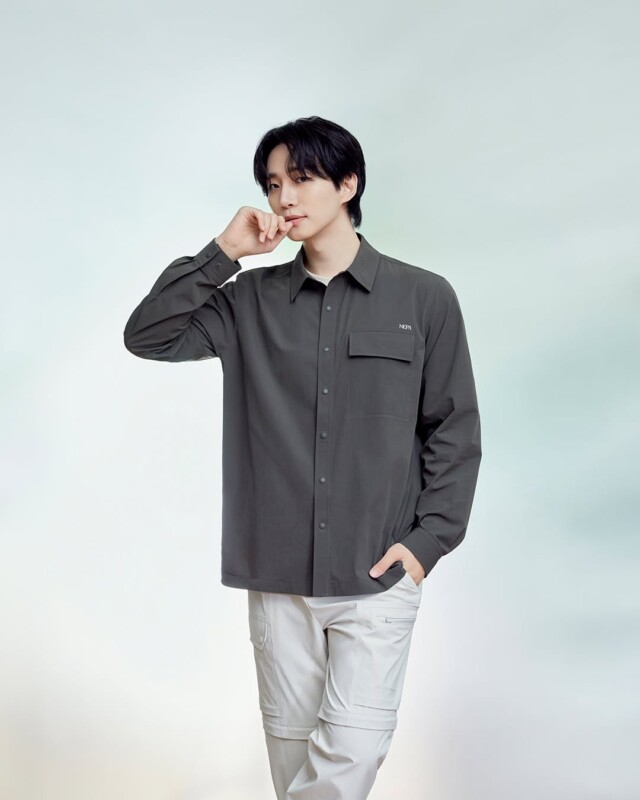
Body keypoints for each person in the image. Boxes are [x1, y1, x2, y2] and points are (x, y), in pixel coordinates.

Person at [123, 115, 482, 799]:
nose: (284, 197)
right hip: (278, 580)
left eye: (303, 178)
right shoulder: (246, 302)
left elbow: (453, 430)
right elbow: (148, 335)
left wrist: (425, 545)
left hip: (377, 576)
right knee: (293, 772)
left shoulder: (424, 298)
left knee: (351, 757)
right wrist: (224, 252)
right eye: (272, 183)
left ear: (348, 184)